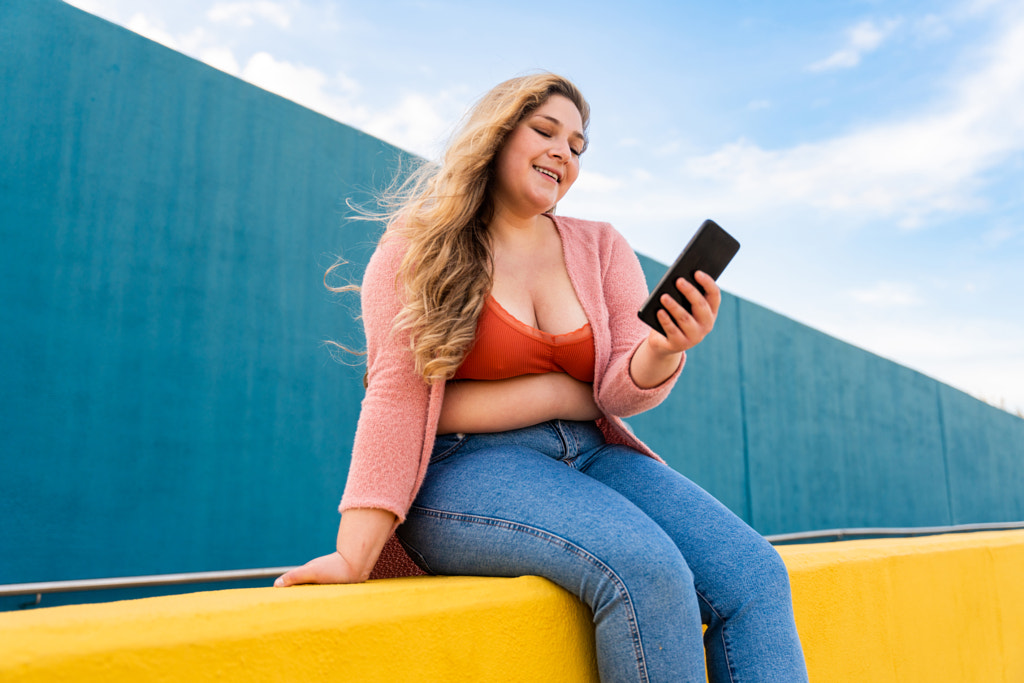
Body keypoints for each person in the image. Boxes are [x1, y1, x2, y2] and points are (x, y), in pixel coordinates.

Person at [275, 73, 808, 683]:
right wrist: (354, 553)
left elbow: (618, 391)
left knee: (756, 575)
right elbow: (399, 396)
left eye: (578, 147)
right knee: (647, 568)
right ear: (498, 135)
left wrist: (665, 348)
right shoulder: (418, 247)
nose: (565, 152)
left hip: (592, 457)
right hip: (463, 469)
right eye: (546, 131)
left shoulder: (602, 247)